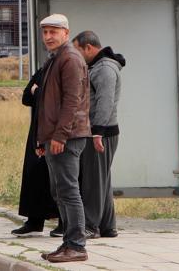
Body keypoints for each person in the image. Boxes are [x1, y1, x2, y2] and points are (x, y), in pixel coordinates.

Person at [35, 14, 91, 264]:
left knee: (68, 191)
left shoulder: (70, 58)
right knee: (60, 191)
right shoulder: (57, 58)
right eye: (45, 32)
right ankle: (68, 242)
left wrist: (59, 135)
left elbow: (72, 101)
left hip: (68, 136)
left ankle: (77, 245)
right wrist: (43, 139)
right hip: (57, 136)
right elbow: (47, 104)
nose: (48, 36)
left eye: (53, 31)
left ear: (66, 33)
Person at [72, 31, 125, 239]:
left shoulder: (104, 69)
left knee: (94, 181)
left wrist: (97, 133)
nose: (76, 55)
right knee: (103, 179)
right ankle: (108, 226)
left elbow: (105, 101)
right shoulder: (98, 67)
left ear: (88, 48)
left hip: (101, 132)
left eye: (78, 50)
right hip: (101, 131)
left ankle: (90, 226)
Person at [11, 60, 60, 236]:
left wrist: (37, 91)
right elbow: (26, 97)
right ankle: (34, 221)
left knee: (57, 178)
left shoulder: (62, 71)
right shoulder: (43, 70)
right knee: (34, 174)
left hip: (56, 130)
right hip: (38, 129)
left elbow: (54, 99)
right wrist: (38, 93)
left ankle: (64, 222)